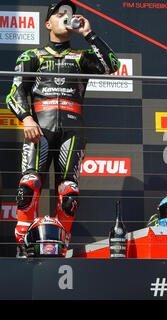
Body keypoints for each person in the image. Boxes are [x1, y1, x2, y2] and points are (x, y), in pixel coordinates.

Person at [6, 0, 120, 257]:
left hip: (73, 129)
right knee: (28, 186)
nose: (67, 19)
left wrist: (88, 34)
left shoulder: (81, 58)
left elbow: (112, 65)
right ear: (48, 23)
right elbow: (15, 94)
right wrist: (26, 118)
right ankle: (22, 247)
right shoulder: (31, 56)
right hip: (39, 130)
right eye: (60, 15)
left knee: (69, 193)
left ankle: (61, 246)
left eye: (71, 15)